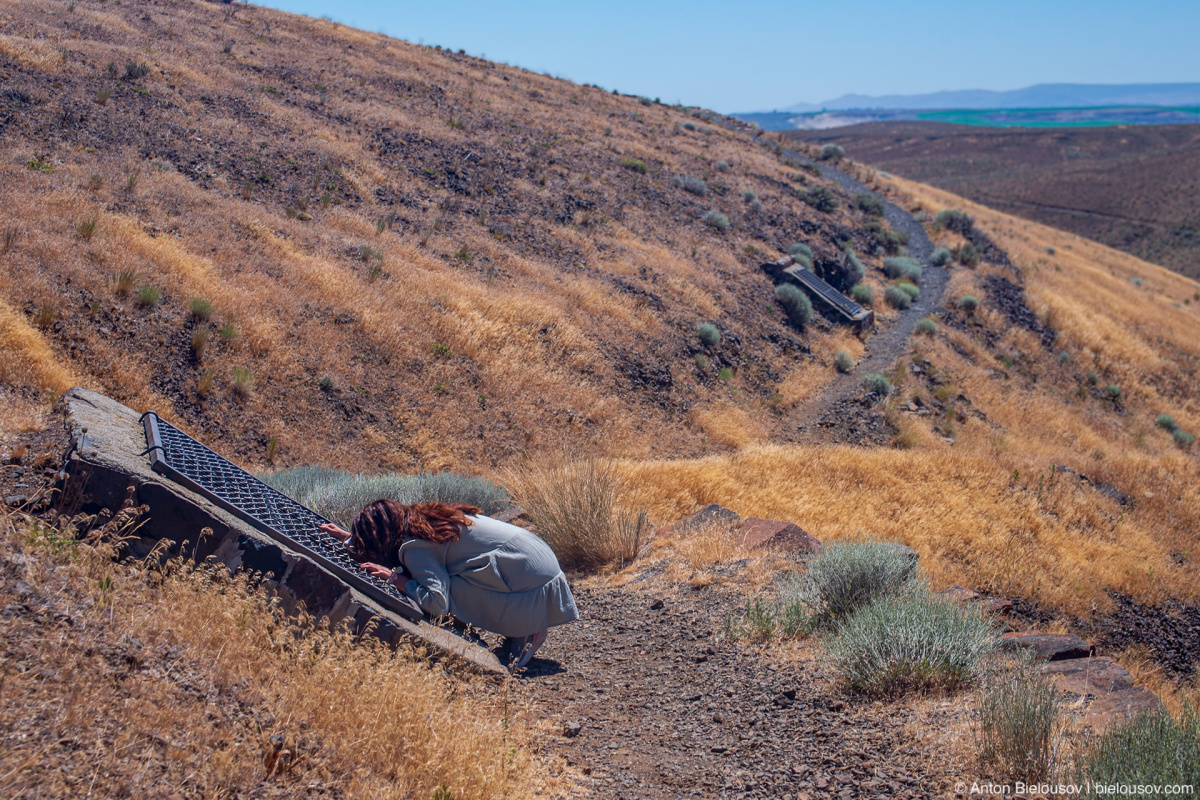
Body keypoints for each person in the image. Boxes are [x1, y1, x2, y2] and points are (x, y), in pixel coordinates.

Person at [318, 500, 578, 669]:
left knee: (446, 590)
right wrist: (352, 539)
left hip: (532, 587)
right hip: (536, 568)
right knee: (450, 576)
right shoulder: (419, 520)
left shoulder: (414, 547)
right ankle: (521, 625)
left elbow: (438, 604)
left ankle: (526, 627)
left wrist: (396, 579)